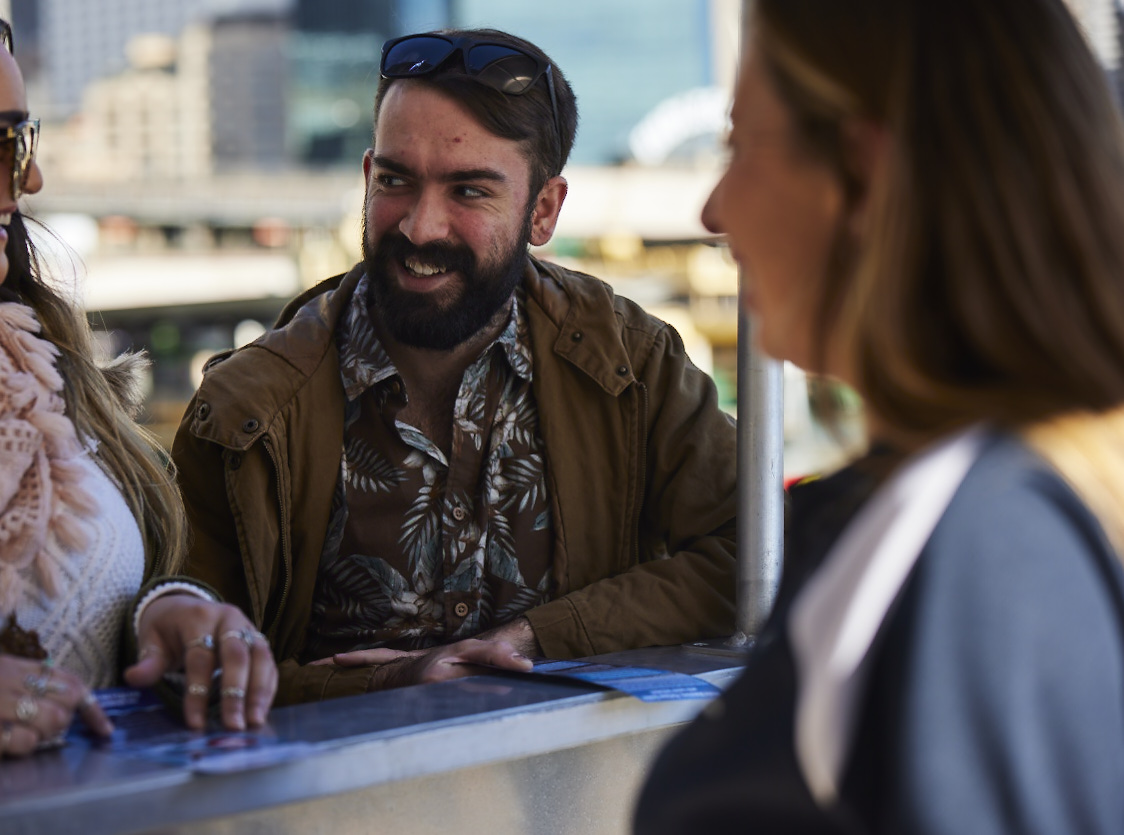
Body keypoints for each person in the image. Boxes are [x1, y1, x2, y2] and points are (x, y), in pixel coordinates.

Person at [635, 1, 1124, 832]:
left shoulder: (978, 543)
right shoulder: (971, 511)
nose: (714, 212)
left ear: (862, 177)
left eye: (740, 146)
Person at [172, 28, 739, 703]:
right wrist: (395, 682)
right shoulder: (245, 412)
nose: (419, 226)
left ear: (545, 210)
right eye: (395, 181)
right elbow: (185, 662)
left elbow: (750, 553)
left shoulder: (632, 366)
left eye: (468, 191)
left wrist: (540, 636)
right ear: (365, 177)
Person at [0, 0, 277, 769]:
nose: (33, 174)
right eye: (5, 140)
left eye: (30, 138)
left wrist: (170, 610)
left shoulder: (36, 358)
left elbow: (127, 580)